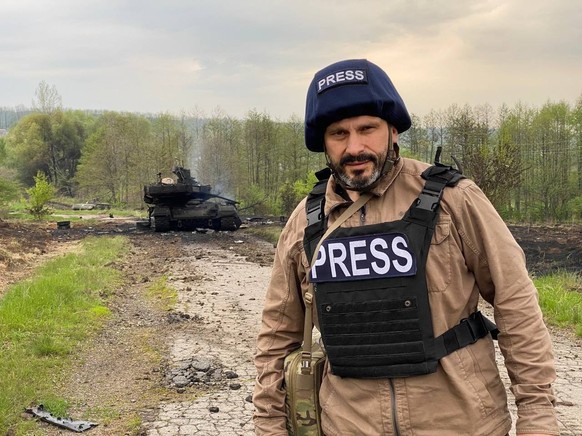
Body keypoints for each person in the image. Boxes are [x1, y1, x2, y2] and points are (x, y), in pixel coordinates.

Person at [253, 58, 558, 436]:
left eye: (368, 129)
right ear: (324, 144)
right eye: (339, 134)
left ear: (393, 130)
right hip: (348, 424)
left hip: (460, 423)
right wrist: (269, 424)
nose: (355, 147)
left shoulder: (453, 200)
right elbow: (277, 335)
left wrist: (537, 415)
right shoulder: (307, 221)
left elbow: (516, 304)